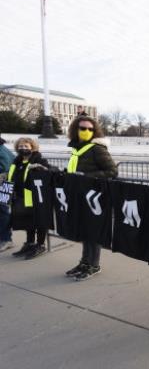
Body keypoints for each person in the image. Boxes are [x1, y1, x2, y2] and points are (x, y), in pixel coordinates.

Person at [64, 116, 117, 281]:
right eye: (82, 128)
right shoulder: (77, 149)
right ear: (76, 130)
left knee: (93, 233)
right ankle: (84, 262)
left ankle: (93, 265)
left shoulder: (97, 149)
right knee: (85, 231)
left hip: (95, 198)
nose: (86, 131)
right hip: (80, 195)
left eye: (90, 129)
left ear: (94, 131)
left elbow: (112, 172)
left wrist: (85, 176)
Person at [8, 137, 51, 259]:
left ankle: (40, 244)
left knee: (40, 221)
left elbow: (49, 172)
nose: (23, 149)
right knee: (27, 222)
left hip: (36, 197)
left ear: (32, 147)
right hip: (21, 197)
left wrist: (42, 169)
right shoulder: (17, 161)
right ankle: (30, 243)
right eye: (21, 146)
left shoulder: (39, 160)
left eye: (26, 146)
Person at [0, 133, 16, 252]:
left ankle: (6, 239)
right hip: (5, 184)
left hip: (4, 185)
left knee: (3, 211)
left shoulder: (2, 150)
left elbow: (6, 166)